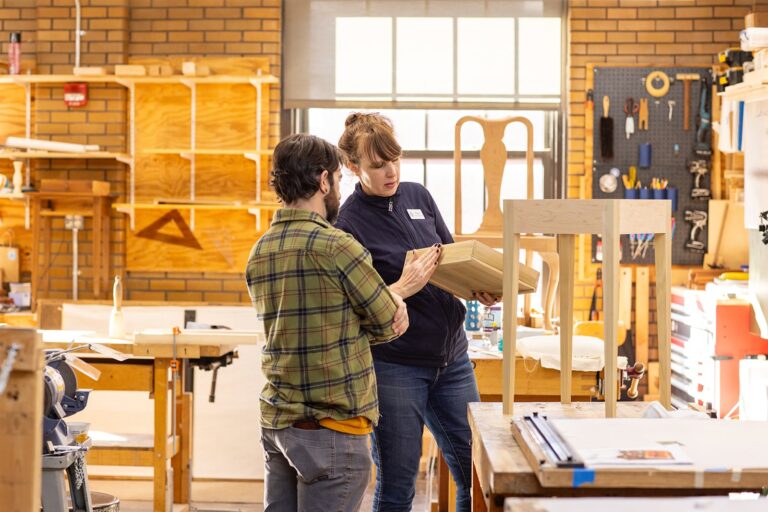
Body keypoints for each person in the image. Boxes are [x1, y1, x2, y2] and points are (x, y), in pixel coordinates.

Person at [246, 133, 419, 512]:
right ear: (324, 181)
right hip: (333, 430)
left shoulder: (261, 250)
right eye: (338, 180)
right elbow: (389, 321)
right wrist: (390, 304)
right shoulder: (338, 246)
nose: (339, 189)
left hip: (279, 424)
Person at [335, 113, 499, 512]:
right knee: (397, 487)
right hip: (397, 366)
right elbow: (359, 307)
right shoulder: (347, 224)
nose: (391, 171)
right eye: (377, 165)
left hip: (453, 360)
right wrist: (403, 286)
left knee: (476, 474)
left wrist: (476, 286)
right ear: (353, 167)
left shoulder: (418, 196)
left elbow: (449, 259)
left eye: (395, 158)